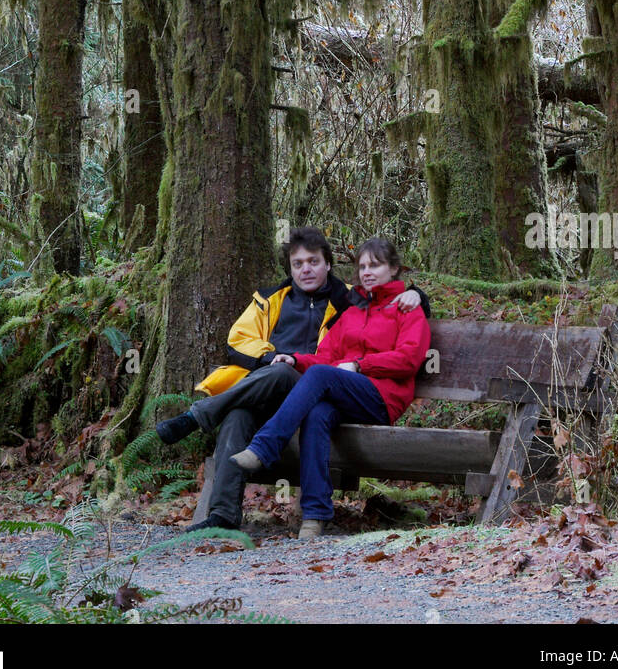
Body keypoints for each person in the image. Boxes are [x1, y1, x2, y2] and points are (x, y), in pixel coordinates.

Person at [156, 227, 430, 533]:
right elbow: (240, 341)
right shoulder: (274, 299)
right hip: (285, 386)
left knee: (303, 377)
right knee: (240, 413)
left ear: (329, 264)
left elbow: (399, 331)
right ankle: (227, 515)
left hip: (330, 387)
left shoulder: (348, 300)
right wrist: (285, 357)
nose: (306, 269)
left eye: (313, 261)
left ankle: (224, 427)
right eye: (298, 263)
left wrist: (415, 293)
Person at [231, 237, 431, 540]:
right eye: (362, 266)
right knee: (318, 413)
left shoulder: (407, 309)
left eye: (374, 265)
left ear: (393, 269)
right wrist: (294, 359)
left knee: (323, 378)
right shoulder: (352, 312)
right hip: (348, 392)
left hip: (382, 399)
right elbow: (325, 357)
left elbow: (409, 359)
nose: (366, 272)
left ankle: (265, 445)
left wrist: (362, 366)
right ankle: (315, 515)